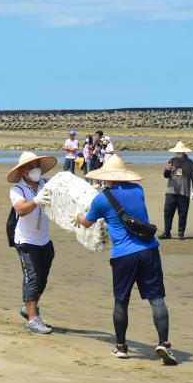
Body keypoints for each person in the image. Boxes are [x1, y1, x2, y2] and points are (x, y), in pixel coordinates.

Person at [75, 155, 177, 365]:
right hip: (149, 250)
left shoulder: (102, 199)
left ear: (106, 177)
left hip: (123, 255)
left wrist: (77, 216)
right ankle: (164, 343)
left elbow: (86, 223)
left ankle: (121, 347)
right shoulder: (138, 191)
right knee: (157, 299)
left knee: (121, 301)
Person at [7, 151, 58, 334]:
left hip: (44, 240)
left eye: (36, 165)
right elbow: (20, 209)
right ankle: (32, 319)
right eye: (30, 166)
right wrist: (36, 200)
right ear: (22, 171)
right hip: (25, 240)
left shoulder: (46, 183)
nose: (34, 169)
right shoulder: (17, 190)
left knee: (42, 279)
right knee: (33, 277)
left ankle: (28, 307)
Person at [160, 141, 193, 240]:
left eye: (180, 151)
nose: (178, 153)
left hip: (184, 192)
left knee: (182, 214)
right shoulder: (171, 160)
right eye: (177, 151)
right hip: (171, 191)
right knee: (167, 212)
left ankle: (181, 233)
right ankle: (167, 232)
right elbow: (166, 176)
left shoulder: (191, 163)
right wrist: (167, 170)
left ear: (184, 152)